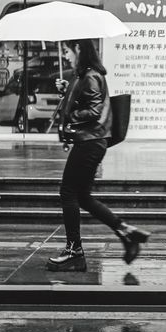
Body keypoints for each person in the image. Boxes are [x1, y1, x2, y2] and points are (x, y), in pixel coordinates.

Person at [47, 38, 151, 272]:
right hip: (92, 141)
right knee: (82, 196)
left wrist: (70, 116)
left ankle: (74, 251)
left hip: (90, 142)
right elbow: (88, 100)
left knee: (68, 192)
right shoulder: (86, 75)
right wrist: (68, 90)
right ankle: (126, 233)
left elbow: (94, 111)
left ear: (79, 49)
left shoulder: (91, 76)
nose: (66, 56)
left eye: (67, 50)